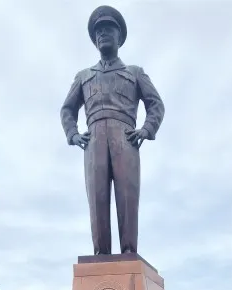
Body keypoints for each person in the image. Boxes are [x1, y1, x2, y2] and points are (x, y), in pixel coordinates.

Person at [61, 6, 165, 255]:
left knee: (127, 197)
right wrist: (73, 134)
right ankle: (101, 255)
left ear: (120, 37)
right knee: (97, 199)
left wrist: (146, 129)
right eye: (98, 32)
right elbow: (67, 109)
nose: (102, 34)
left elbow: (156, 104)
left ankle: (129, 252)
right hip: (93, 138)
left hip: (126, 137)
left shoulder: (135, 73)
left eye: (108, 29)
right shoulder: (84, 76)